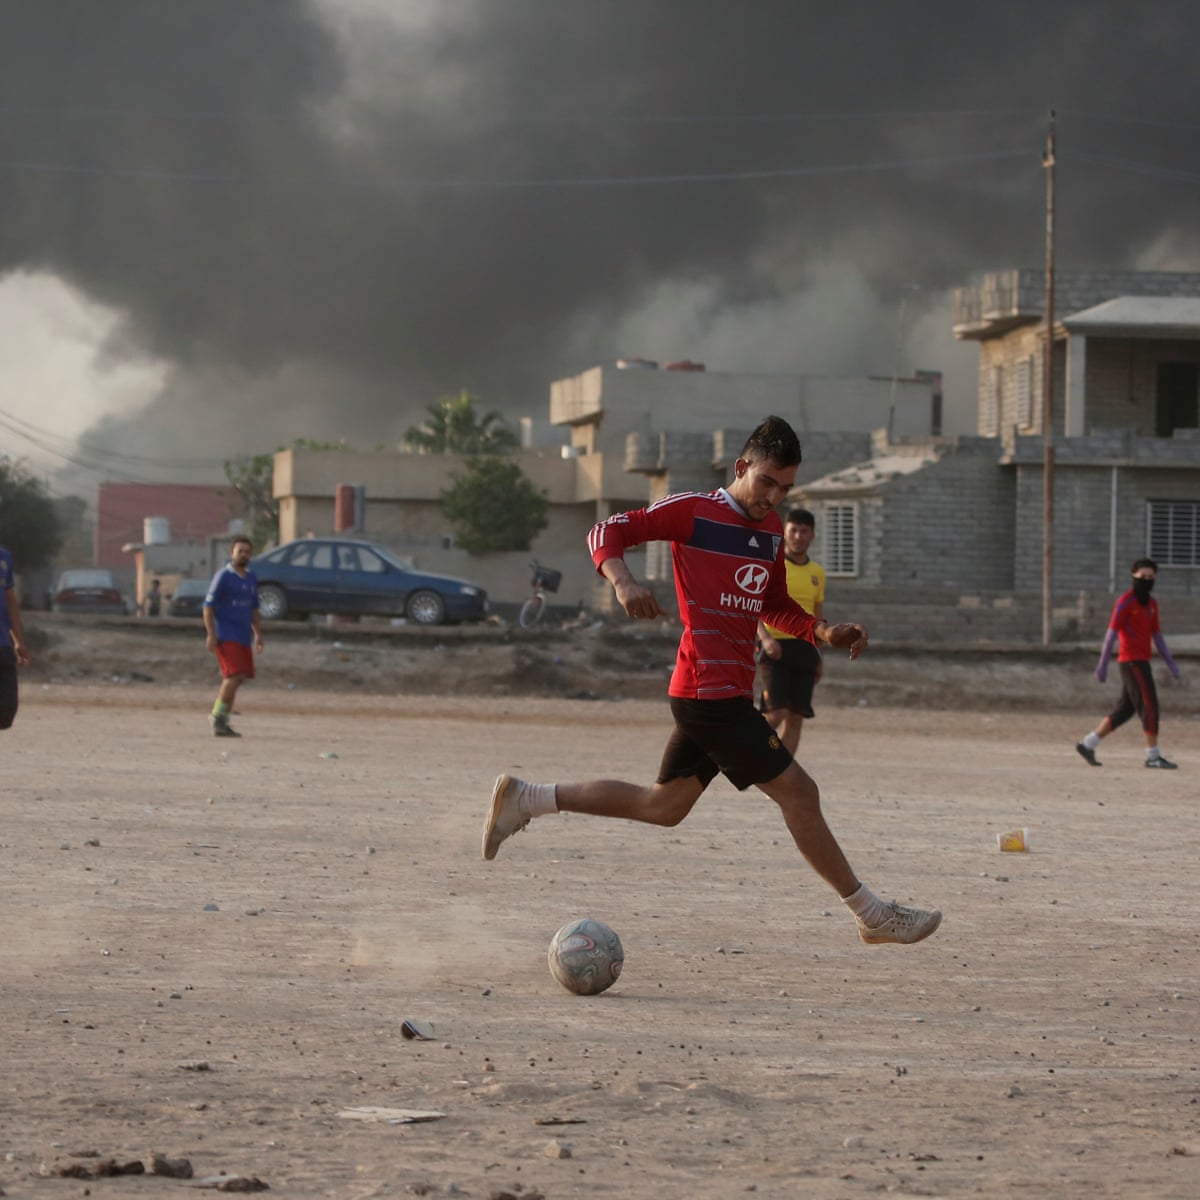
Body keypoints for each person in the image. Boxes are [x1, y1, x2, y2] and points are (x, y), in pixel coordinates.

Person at [482, 415, 942, 947]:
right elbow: (604, 532)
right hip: (710, 694)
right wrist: (624, 582)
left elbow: (773, 603)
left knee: (663, 807)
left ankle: (528, 798)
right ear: (741, 466)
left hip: (717, 692)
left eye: (785, 487)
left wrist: (822, 630)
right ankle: (870, 913)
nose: (773, 496)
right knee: (801, 793)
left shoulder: (770, 530)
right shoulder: (694, 511)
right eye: (766, 481)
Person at [1076, 558, 1181, 769]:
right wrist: (1102, 665)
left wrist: (1171, 663)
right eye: (1143, 577)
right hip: (1131, 662)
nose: (1147, 580)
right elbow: (1110, 635)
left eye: (1151, 577)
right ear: (1134, 576)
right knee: (1150, 706)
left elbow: (1157, 636)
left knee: (1126, 709)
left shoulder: (1152, 605)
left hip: (1142, 661)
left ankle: (1088, 744)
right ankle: (1153, 756)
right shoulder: (1125, 602)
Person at [757, 507, 825, 753]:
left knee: (795, 717)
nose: (798, 536)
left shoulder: (817, 573)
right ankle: (752, 757)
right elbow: (753, 606)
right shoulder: (770, 566)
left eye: (803, 531)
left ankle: (782, 771)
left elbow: (817, 617)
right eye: (793, 530)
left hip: (805, 647)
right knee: (776, 714)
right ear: (784, 533)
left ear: (812, 535)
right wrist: (765, 639)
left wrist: (819, 655)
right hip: (775, 646)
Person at [202, 534, 262, 738]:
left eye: (247, 552)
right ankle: (217, 717)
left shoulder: (251, 579)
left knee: (240, 677)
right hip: (226, 634)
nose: (244, 555)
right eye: (240, 551)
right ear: (232, 553)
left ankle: (223, 720)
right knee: (233, 675)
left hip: (243, 636)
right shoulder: (224, 576)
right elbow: (208, 607)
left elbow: (254, 608)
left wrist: (258, 634)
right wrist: (211, 634)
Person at [1, 545, 32, 731]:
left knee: (6, 710)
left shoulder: (4, 557)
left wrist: (18, 641)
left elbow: (10, 600)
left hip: (2, 646)